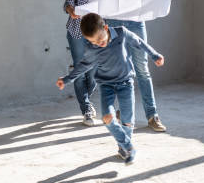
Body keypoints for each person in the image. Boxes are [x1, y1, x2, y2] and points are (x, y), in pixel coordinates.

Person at [56, 13, 165, 165]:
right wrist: (66, 79)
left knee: (128, 120)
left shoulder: (121, 32)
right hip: (106, 86)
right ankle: (129, 147)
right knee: (107, 118)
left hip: (126, 83)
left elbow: (139, 42)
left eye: (100, 39)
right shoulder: (92, 47)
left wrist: (154, 55)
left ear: (106, 28)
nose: (98, 44)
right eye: (93, 41)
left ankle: (123, 148)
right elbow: (83, 66)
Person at [103, 0, 177, 132]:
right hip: (112, 23)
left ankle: (152, 115)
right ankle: (121, 110)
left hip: (136, 23)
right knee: (117, 70)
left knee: (142, 69)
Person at [64, 0, 109, 126]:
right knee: (80, 69)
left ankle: (86, 99)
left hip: (97, 30)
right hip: (77, 30)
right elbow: (67, 2)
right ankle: (86, 109)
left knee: (94, 72)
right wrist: (71, 10)